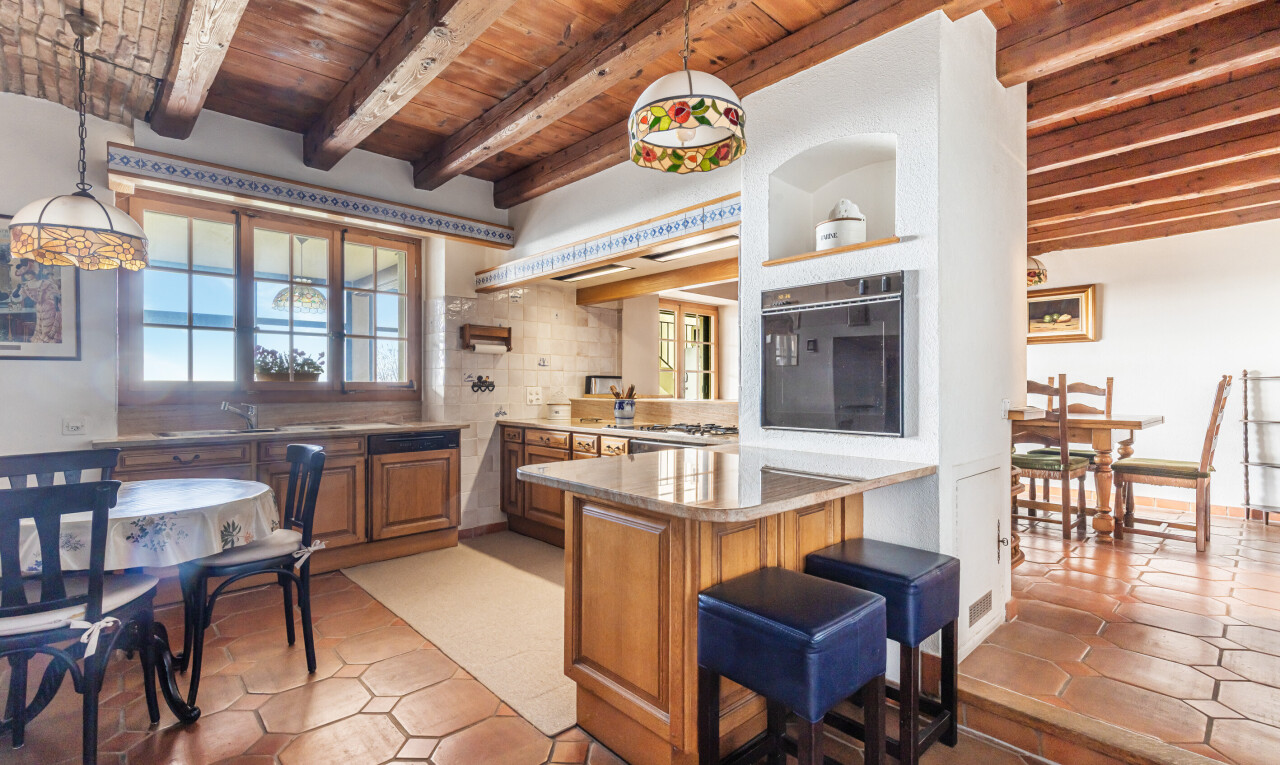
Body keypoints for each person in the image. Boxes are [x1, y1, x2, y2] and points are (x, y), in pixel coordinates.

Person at [7, 259, 62, 344]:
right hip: (39, 310)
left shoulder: (45, 282)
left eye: (29, 273)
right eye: (25, 274)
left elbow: (55, 295)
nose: (28, 276)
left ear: (34, 273)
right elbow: (18, 298)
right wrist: (17, 289)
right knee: (41, 332)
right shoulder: (25, 286)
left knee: (48, 332)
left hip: (51, 309)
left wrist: (57, 308)